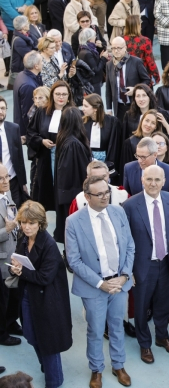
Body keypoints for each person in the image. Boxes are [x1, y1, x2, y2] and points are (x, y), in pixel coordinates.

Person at [65, 176, 135, 388]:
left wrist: (124, 275)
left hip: (119, 284)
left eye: (107, 192)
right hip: (95, 287)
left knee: (116, 326)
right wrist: (100, 284)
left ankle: (118, 365)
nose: (105, 197)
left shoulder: (118, 212)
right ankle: (96, 369)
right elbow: (74, 260)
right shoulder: (74, 221)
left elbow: (130, 246)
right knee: (95, 330)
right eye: (100, 194)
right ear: (87, 197)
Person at [122, 165, 169, 365]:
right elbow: (125, 241)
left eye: (157, 180)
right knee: (141, 307)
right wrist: (128, 270)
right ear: (142, 180)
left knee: (164, 304)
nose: (153, 184)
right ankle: (144, 343)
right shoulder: (130, 205)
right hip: (142, 266)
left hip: (165, 263)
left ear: (164, 181)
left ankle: (162, 337)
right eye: (149, 179)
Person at [9, 201, 72, 388]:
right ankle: (47, 367)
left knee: (48, 342)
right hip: (29, 295)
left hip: (47, 300)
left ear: (40, 223)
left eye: (31, 223)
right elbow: (20, 260)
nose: (26, 227)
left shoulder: (49, 245)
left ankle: (54, 380)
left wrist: (22, 272)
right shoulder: (23, 237)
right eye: (23, 222)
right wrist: (14, 269)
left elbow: (45, 277)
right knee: (30, 334)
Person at [27, 80, 74, 212]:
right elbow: (31, 132)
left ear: (69, 96)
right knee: (45, 189)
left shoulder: (73, 113)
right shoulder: (42, 112)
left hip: (66, 158)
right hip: (46, 158)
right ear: (52, 95)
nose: (61, 97)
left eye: (64, 94)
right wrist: (41, 141)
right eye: (57, 94)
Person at [54, 107, 92, 246]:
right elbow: (72, 173)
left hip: (67, 195)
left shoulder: (65, 140)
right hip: (73, 195)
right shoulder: (73, 144)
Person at [122, 138, 169, 211]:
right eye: (138, 156)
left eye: (143, 157)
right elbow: (125, 197)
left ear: (155, 155)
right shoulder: (129, 168)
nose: (139, 161)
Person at [0, 164, 21, 348]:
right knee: (2, 297)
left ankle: (11, 322)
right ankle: (2, 333)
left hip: (12, 253)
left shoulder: (6, 194)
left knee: (14, 293)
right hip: (1, 258)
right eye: (1, 179)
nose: (6, 181)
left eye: (7, 177)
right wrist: (6, 230)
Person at [105, 36, 151, 121]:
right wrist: (109, 109)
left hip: (135, 104)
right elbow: (108, 88)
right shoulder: (109, 64)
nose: (116, 50)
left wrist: (136, 89)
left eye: (119, 48)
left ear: (125, 48)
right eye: (113, 48)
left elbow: (147, 80)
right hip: (119, 107)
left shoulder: (136, 62)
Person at [0, 97, 28, 209]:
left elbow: (19, 158)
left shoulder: (13, 128)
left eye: (2, 108)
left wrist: (23, 183)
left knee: (15, 211)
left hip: (13, 181)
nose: (0, 112)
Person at [82, 94, 121, 166]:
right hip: (87, 161)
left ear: (95, 108)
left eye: (86, 106)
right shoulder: (83, 122)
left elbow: (114, 146)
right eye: (83, 105)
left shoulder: (112, 122)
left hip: (107, 162)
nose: (83, 108)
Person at [123, 15, 160, 87]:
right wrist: (156, 76)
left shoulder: (121, 40)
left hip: (126, 74)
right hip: (142, 74)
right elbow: (150, 60)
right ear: (138, 25)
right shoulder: (145, 41)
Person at [13, 51, 43, 139]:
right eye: (41, 61)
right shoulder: (29, 86)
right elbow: (28, 113)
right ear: (36, 66)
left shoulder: (21, 75)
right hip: (28, 131)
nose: (43, 63)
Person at [77, 27, 110, 96]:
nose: (96, 37)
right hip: (93, 83)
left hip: (92, 82)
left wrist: (100, 57)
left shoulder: (83, 48)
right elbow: (96, 69)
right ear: (89, 38)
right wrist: (103, 58)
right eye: (94, 36)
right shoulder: (87, 53)